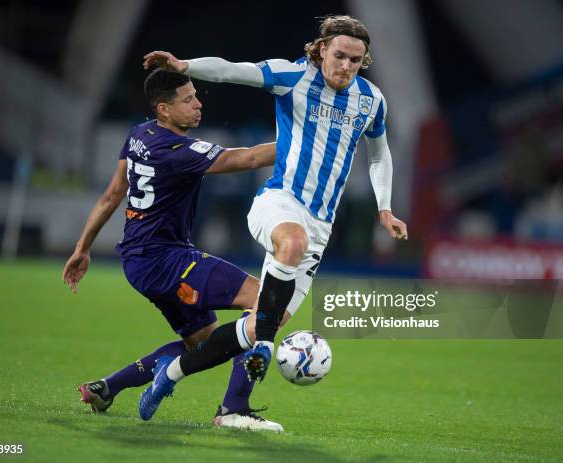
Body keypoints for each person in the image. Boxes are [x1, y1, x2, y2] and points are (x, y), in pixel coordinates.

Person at [138, 14, 408, 411]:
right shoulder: (294, 77)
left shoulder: (371, 100)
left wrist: (385, 208)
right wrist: (185, 67)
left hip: (321, 227)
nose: (346, 66)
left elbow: (380, 153)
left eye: (356, 60)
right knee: (289, 252)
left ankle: (178, 375)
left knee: (262, 320)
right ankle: (263, 344)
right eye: (339, 56)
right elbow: (234, 71)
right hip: (278, 202)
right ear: (321, 50)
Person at [63, 68, 287, 432]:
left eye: (196, 95)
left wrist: (81, 248)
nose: (198, 105)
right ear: (164, 110)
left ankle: (109, 387)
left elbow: (111, 195)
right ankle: (235, 408)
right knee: (266, 303)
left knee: (204, 346)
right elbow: (247, 159)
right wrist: (307, 143)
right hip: (167, 260)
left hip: (138, 263)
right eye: (188, 100)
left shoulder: (139, 134)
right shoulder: (178, 151)